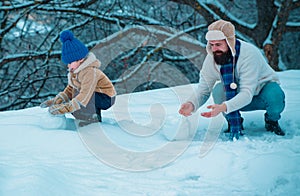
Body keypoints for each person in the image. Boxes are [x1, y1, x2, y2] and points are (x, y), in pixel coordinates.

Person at [179, 19, 285, 140]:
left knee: (275, 95)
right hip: (235, 97)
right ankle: (234, 122)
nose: (214, 49)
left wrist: (224, 107)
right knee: (218, 90)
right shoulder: (212, 58)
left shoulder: (249, 54)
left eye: (218, 44)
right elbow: (204, 90)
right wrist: (191, 104)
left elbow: (247, 93)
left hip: (261, 94)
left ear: (230, 42)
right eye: (211, 44)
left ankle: (272, 121)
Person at [40, 30, 116, 126]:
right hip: (93, 94)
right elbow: (71, 88)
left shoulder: (90, 72)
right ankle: (86, 117)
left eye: (70, 62)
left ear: (80, 59)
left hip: (106, 97)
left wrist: (65, 108)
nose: (68, 66)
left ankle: (93, 120)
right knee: (74, 96)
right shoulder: (76, 72)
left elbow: (85, 94)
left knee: (77, 99)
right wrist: (58, 100)